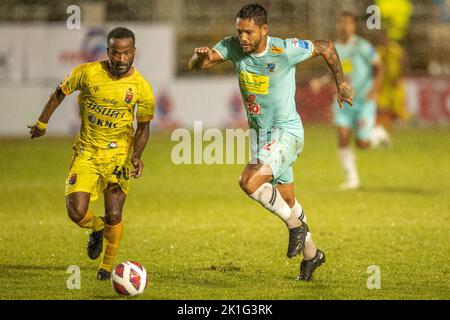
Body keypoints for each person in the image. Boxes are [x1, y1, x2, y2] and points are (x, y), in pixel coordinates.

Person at [188, 3, 354, 281]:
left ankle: (294, 228)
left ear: (265, 30)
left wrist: (342, 84)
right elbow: (197, 66)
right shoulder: (232, 46)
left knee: (249, 181)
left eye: (249, 32)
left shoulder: (284, 49)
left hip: (286, 133)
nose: (243, 38)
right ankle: (313, 255)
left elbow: (326, 46)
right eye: (239, 31)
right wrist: (198, 57)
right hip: (262, 137)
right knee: (287, 200)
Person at [28, 27, 155, 280]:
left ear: (134, 52)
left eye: (126, 53)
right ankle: (97, 227)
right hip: (86, 152)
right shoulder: (86, 73)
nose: (121, 59)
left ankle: (106, 269)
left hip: (118, 156)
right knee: (76, 212)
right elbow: (59, 93)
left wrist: (136, 156)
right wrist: (42, 123)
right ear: (107, 51)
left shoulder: (141, 87)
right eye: (116, 53)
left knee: (115, 213)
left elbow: (143, 127)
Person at [333, 12, 388, 190]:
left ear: (353, 26)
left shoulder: (362, 46)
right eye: (341, 22)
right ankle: (352, 179)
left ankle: (377, 134)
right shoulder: (334, 48)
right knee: (342, 136)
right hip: (344, 101)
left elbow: (380, 67)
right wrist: (322, 81)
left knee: (362, 144)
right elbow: (336, 72)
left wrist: (375, 89)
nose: (344, 26)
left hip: (363, 100)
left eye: (348, 23)